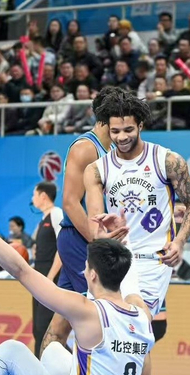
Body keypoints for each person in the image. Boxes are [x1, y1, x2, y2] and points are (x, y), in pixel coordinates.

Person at [0, 206, 154, 375]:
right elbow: (130, 275)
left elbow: (21, 270)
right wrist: (122, 238)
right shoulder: (141, 313)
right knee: (54, 353)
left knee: (11, 351)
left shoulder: (87, 311)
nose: (83, 272)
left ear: (92, 275)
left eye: (85, 268)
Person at [84, 90, 190, 375]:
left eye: (128, 130)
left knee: (137, 331)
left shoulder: (168, 161)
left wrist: (179, 241)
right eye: (115, 131)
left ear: (140, 125)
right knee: (99, 334)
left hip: (152, 261)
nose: (121, 137)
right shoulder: (96, 170)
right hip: (114, 258)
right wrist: (103, 233)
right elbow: (94, 224)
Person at [38, 87, 121, 356]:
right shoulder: (86, 148)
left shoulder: (112, 151)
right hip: (79, 239)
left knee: (61, 322)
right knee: (99, 314)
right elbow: (71, 203)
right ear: (109, 118)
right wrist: (98, 242)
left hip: (89, 241)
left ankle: (41, 373)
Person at [29, 181, 63, 357]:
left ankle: (47, 366)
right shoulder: (43, 219)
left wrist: (50, 277)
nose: (32, 199)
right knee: (37, 327)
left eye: (34, 195)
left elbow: (62, 247)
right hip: (39, 276)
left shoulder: (56, 213)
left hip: (50, 278)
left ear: (43, 196)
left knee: (44, 326)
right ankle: (38, 363)